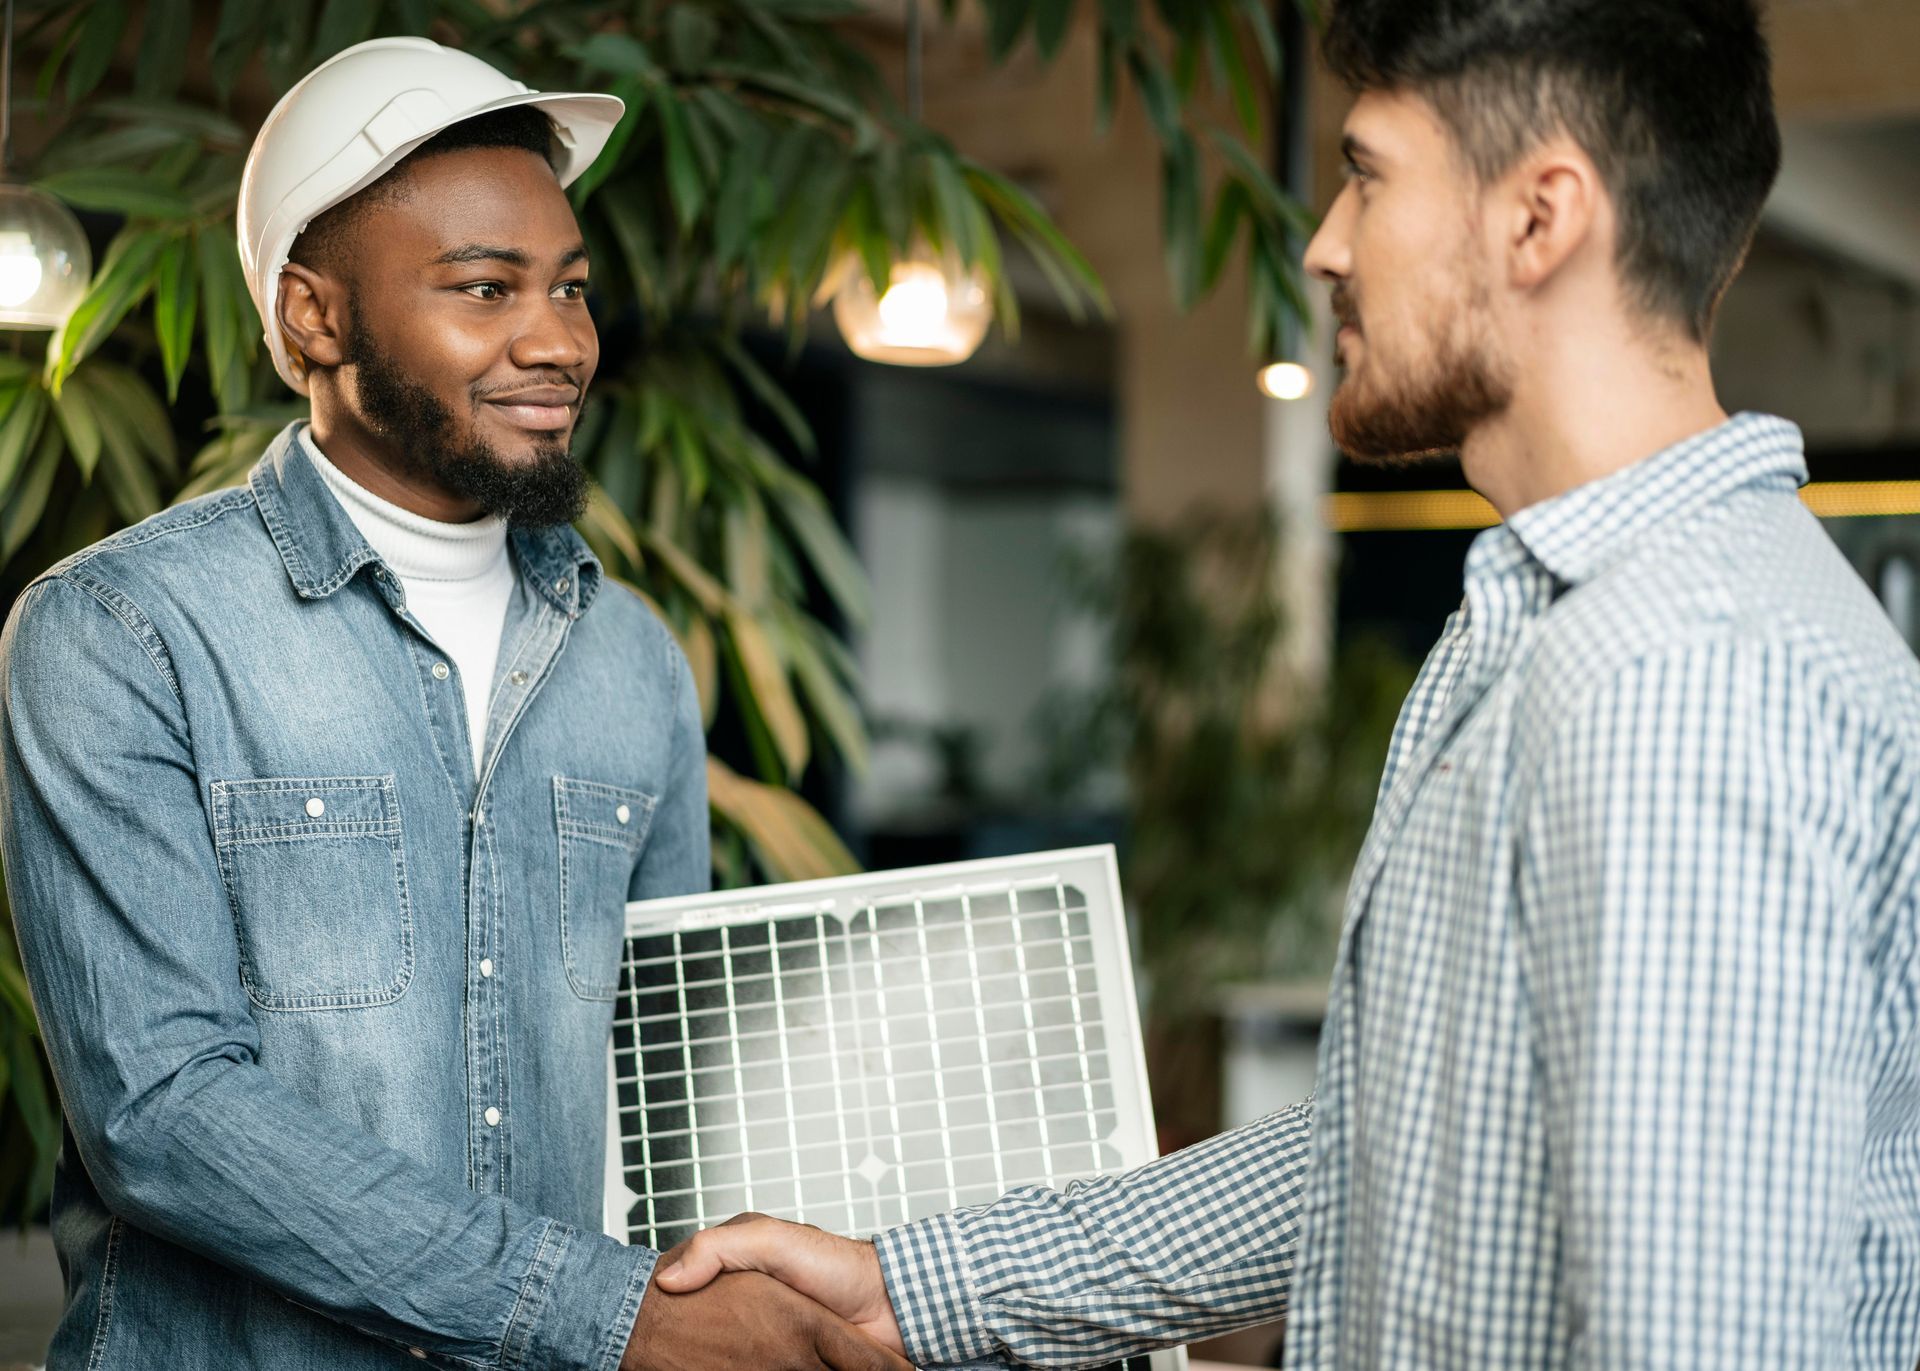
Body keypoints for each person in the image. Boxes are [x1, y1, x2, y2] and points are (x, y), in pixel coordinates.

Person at [654, 0, 1920, 1366]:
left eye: (1368, 173)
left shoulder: (1686, 685)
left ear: (1539, 219)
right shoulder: (1554, 631)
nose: (1322, 241)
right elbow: (1389, 1147)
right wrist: (914, 1285)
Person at [0, 37, 905, 1371]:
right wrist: (610, 1316)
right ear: (316, 316)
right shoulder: (120, 632)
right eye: (485, 290)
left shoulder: (634, 659)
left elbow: (672, 1090)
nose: (559, 343)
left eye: (573, 290)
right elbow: (165, 1113)